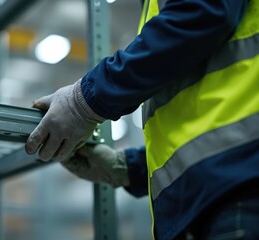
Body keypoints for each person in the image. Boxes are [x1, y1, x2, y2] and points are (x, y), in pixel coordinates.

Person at [25, 0, 259, 239]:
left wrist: (83, 101)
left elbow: (201, 11)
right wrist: (130, 168)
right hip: (224, 186)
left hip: (237, 188)